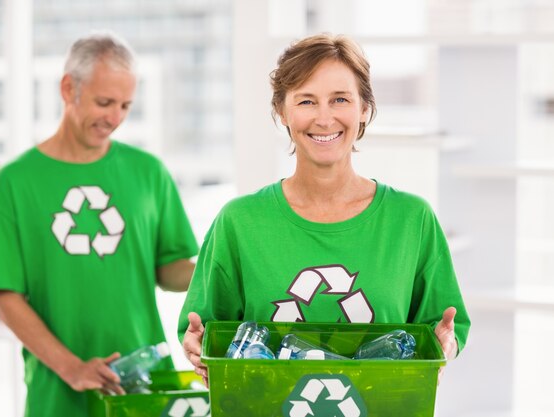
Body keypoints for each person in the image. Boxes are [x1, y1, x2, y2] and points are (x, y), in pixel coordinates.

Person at [179, 33, 470, 384]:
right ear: (281, 112)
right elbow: (208, 332)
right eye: (306, 101)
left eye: (340, 99)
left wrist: (445, 347)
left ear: (364, 109)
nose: (324, 118)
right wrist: (198, 346)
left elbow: (441, 332)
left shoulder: (411, 220)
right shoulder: (240, 222)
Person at [0, 32, 198, 417]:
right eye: (104, 102)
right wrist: (72, 368)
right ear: (68, 88)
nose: (115, 118)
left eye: (126, 105)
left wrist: (226, 271)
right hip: (58, 391)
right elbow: (7, 298)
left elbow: (170, 270)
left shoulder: (149, 173)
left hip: (144, 384)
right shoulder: (15, 183)